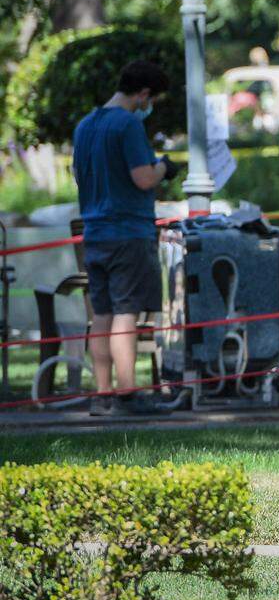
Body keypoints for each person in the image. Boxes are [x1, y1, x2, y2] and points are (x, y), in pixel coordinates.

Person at [72, 60, 182, 416]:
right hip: (127, 233)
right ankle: (127, 393)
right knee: (126, 313)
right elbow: (144, 178)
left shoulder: (85, 125)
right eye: (152, 100)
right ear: (144, 94)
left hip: (95, 232)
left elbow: (80, 175)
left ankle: (102, 394)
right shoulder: (128, 125)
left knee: (101, 314)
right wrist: (166, 166)